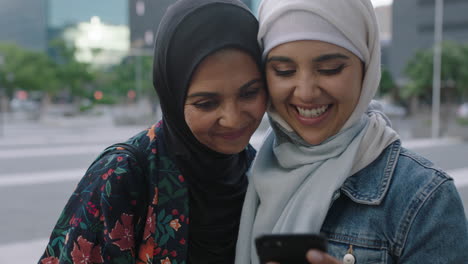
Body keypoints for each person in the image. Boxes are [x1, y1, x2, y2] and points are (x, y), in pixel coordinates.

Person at [235, 0, 468, 263]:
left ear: (366, 68)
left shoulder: (424, 199)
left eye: (330, 69)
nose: (306, 92)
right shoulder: (242, 176)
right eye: (284, 71)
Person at [38, 0, 267, 263]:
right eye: (206, 103)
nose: (232, 119)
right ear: (172, 95)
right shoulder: (124, 175)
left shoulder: (259, 171)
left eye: (250, 93)